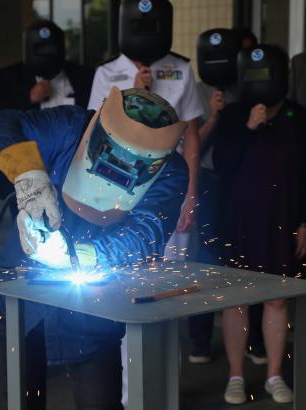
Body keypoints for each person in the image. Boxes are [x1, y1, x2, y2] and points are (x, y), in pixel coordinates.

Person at [0, 86, 188, 410]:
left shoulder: (170, 171)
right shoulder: (71, 126)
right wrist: (29, 177)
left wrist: (84, 256)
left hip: (93, 311)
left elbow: (147, 234)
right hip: (17, 299)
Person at [87, 2, 203, 403]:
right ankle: (127, 397)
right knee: (126, 294)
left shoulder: (181, 69)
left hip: (167, 196)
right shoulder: (107, 72)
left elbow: (190, 139)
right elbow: (96, 134)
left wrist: (189, 197)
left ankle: (167, 392)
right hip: (121, 195)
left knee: (169, 295)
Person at [213, 44, 306, 405]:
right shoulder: (233, 115)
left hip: (282, 221)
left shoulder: (298, 117)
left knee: (276, 301)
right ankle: (236, 375)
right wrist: (248, 127)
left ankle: (274, 374)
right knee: (236, 301)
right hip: (238, 220)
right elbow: (222, 166)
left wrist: (305, 221)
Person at [189, 27, 267, 365]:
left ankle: (255, 341)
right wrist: (216, 114)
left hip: (241, 182)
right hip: (208, 181)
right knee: (206, 260)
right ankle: (199, 341)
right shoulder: (196, 90)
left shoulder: (249, 87)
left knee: (249, 259)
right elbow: (193, 145)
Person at [0, 20, 95, 200]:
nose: (46, 55)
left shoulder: (84, 76)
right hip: (22, 176)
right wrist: (28, 98)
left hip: (74, 172)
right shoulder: (9, 76)